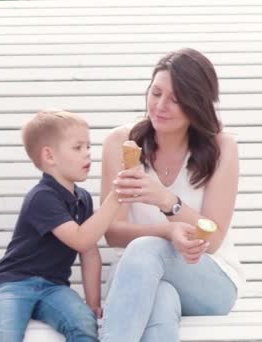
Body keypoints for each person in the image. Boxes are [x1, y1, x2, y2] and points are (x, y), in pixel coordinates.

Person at [99, 48, 245, 342]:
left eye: (176, 99)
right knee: (162, 299)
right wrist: (168, 231)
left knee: (146, 249)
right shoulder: (120, 142)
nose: (160, 106)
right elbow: (113, 234)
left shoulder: (221, 148)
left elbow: (213, 240)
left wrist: (168, 201)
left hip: (207, 277)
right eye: (156, 93)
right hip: (135, 275)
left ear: (197, 104)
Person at [0, 110, 122, 342]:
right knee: (3, 334)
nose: (88, 153)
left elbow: (89, 252)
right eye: (78, 147)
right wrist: (117, 196)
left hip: (54, 288)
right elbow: (80, 239)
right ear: (49, 156)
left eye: (88, 146)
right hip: (13, 284)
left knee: (85, 324)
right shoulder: (42, 197)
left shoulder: (82, 198)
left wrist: (93, 303)